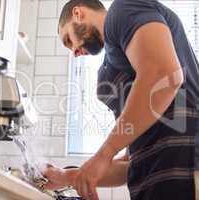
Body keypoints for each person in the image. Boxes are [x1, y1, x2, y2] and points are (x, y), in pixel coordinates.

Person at [42, 0, 199, 200]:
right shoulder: (113, 67)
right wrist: (66, 176)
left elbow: (164, 75)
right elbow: (128, 162)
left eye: (68, 40)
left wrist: (104, 153)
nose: (73, 52)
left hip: (187, 165)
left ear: (78, 14)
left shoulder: (123, 10)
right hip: (157, 178)